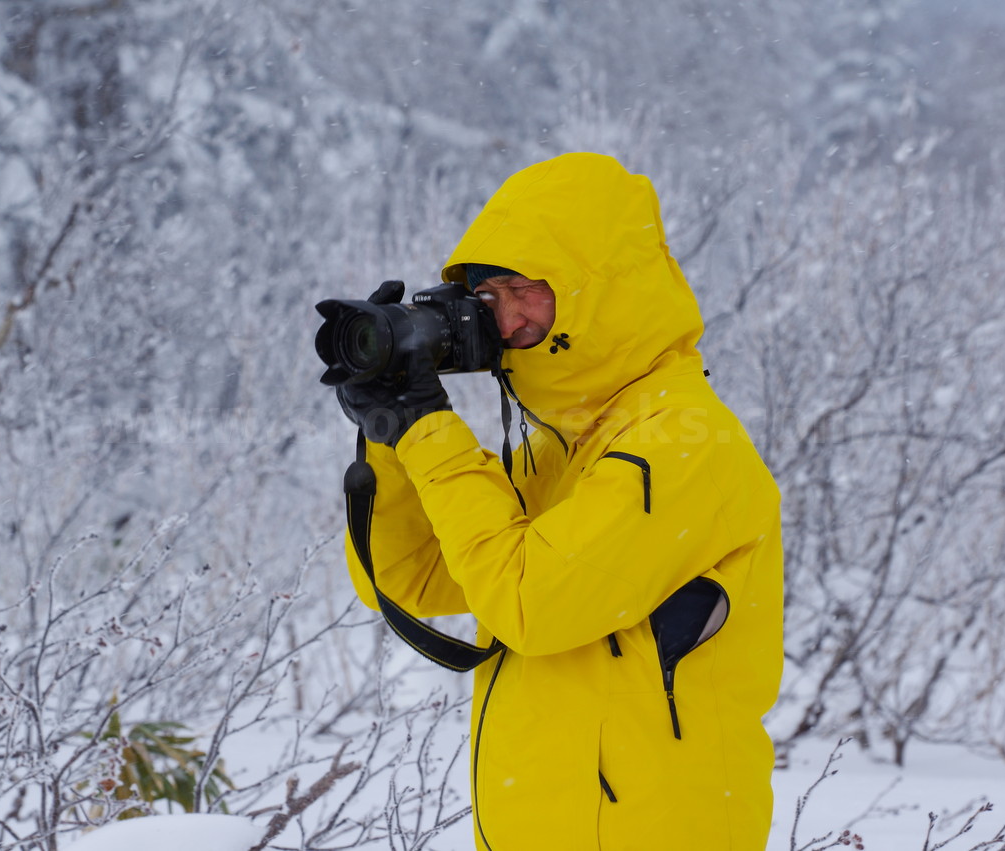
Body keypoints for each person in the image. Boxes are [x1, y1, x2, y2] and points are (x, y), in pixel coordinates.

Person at [332, 152, 784, 850]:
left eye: (525, 288)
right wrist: (391, 435)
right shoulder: (565, 450)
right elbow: (411, 575)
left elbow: (529, 602)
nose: (506, 319)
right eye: (488, 298)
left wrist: (433, 433)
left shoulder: (687, 443)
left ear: (602, 289)